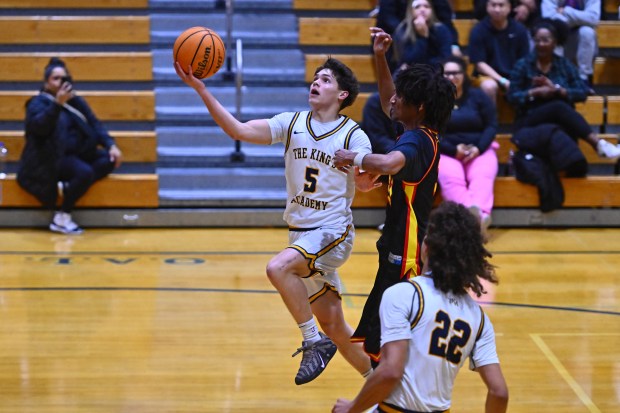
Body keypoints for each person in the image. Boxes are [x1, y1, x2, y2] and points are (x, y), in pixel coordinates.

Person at [174, 58, 373, 385]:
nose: (316, 83)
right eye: (315, 78)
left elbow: (368, 175)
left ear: (342, 94)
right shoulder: (291, 122)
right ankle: (382, 386)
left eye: (325, 80)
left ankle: (312, 342)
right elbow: (237, 129)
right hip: (300, 237)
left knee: (277, 268)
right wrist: (201, 89)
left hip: (331, 234)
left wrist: (365, 179)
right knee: (336, 327)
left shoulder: (353, 135)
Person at [334, 27, 456, 362]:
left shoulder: (416, 141)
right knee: (382, 338)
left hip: (406, 253)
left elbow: (388, 162)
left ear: (417, 107)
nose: (392, 99)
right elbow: (392, 96)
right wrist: (379, 56)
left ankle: (398, 397)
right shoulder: (419, 131)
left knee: (393, 340)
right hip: (397, 243)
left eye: (401, 98)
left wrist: (354, 157)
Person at [332, 201, 509, 413]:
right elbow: (499, 392)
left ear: (427, 245)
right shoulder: (478, 317)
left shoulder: (404, 294)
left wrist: (352, 408)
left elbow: (390, 371)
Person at [17, 57, 123, 234]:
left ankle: (67, 188)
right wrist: (57, 104)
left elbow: (94, 123)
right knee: (85, 172)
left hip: (78, 152)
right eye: (56, 78)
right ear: (46, 82)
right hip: (51, 158)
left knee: (109, 160)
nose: (61, 82)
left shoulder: (75, 101)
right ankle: (63, 216)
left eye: (64, 78)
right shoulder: (37, 103)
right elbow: (40, 127)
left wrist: (111, 144)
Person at [506, 19, 620, 159]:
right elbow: (512, 96)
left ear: (555, 42)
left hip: (561, 121)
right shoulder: (523, 65)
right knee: (558, 107)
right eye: (537, 40)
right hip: (529, 119)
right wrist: (534, 92)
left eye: (546, 40)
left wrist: (557, 90)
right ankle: (598, 144)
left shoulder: (565, 65)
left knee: (564, 123)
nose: (541, 44)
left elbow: (582, 92)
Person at [439, 56, 499, 232]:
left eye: (456, 72)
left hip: (479, 149)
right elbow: (429, 130)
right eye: (447, 73)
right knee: (451, 179)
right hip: (447, 150)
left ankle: (476, 216)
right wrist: (452, 149)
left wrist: (478, 148)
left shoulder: (478, 96)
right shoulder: (433, 100)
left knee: (483, 177)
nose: (452, 77)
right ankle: (474, 220)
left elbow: (491, 125)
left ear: (464, 74)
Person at [468, 0, 531, 104]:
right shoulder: (478, 30)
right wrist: (502, 81)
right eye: (493, 5)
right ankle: (491, 120)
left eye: (501, 5)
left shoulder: (520, 30)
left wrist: (515, 80)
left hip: (514, 75)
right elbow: (479, 64)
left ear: (509, 7)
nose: (497, 9)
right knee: (489, 86)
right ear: (487, 7)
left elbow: (524, 60)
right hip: (487, 76)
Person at [541, 0, 600, 90]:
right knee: (552, 31)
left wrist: (566, 12)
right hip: (560, 37)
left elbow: (593, 18)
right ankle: (556, 77)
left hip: (579, 40)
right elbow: (548, 18)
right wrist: (579, 19)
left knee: (587, 32)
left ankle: (583, 79)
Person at [389, 0, 454, 72]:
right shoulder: (402, 30)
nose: (422, 10)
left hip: (435, 72)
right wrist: (423, 37)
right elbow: (407, 60)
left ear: (432, 10)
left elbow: (445, 58)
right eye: (417, 7)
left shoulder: (441, 29)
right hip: (411, 73)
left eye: (426, 6)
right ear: (410, 11)